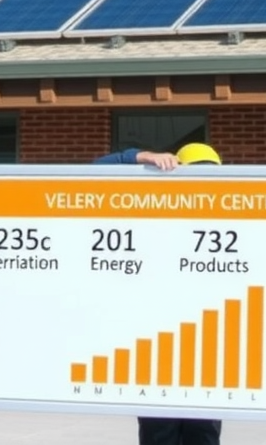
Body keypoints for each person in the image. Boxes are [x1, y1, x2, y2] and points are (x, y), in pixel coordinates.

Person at [93, 141, 223, 445]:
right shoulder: (153, 208)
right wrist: (141, 157)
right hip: (157, 347)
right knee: (159, 433)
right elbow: (95, 170)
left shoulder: (225, 215)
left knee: (202, 435)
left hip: (206, 348)